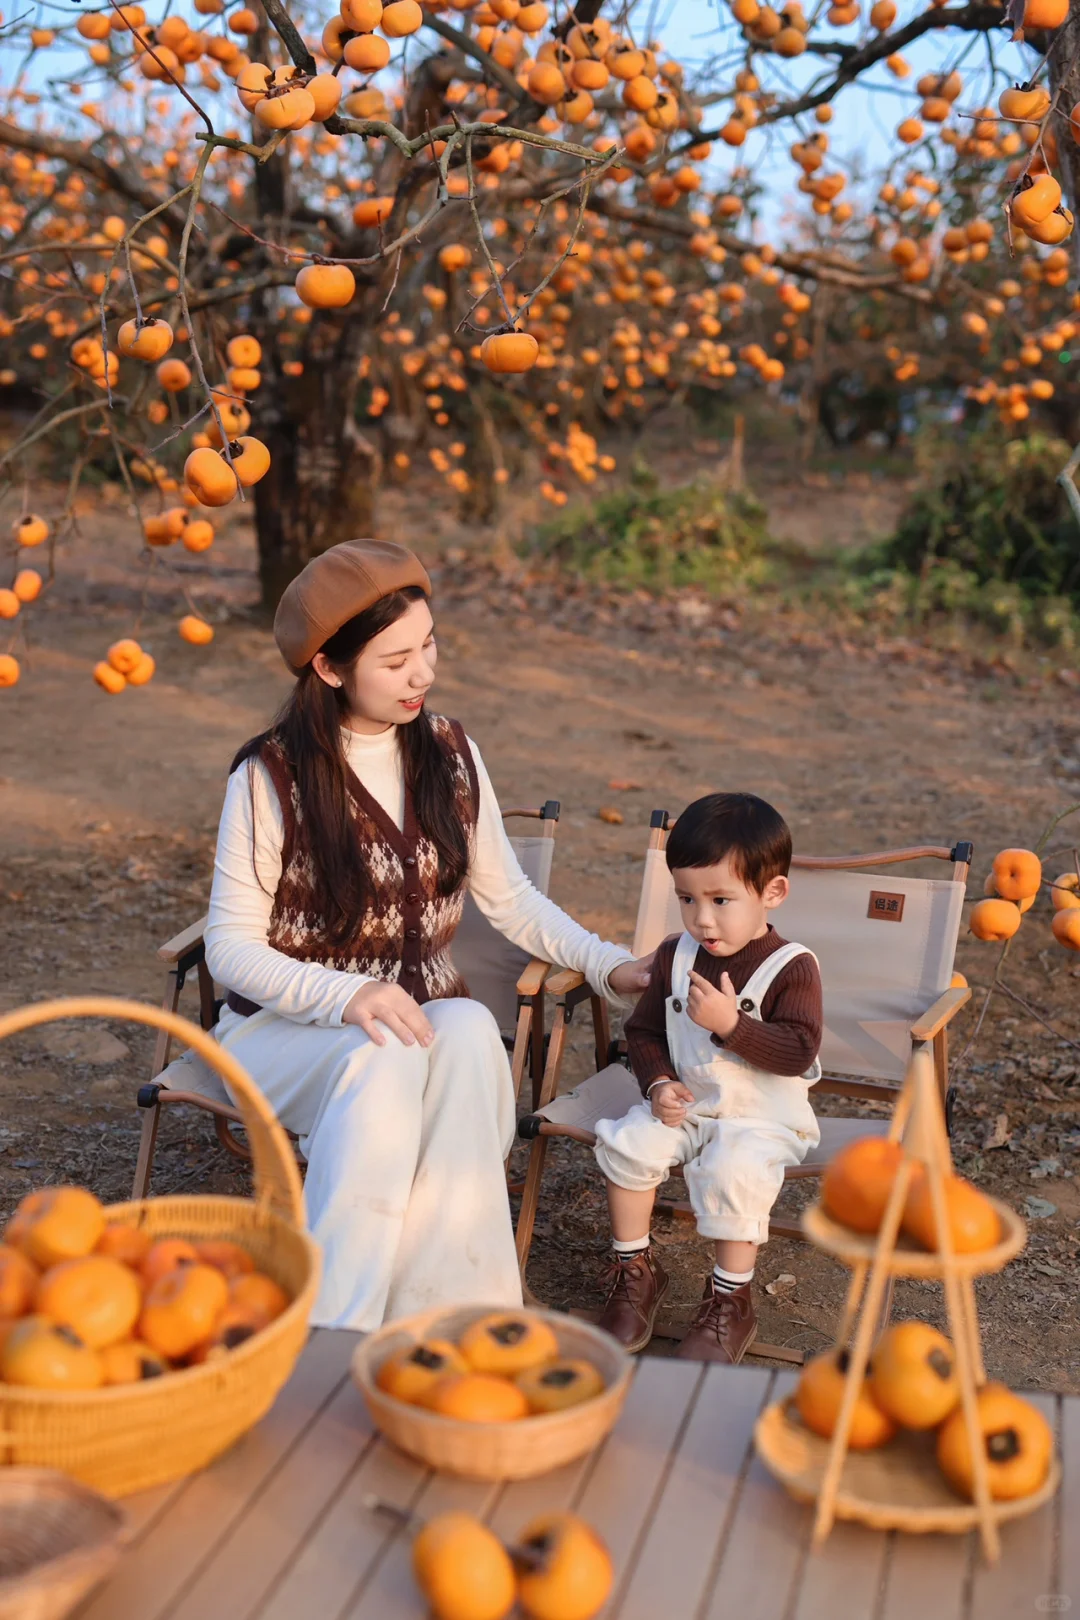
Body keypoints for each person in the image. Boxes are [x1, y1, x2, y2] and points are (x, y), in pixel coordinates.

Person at [204, 539, 650, 1331]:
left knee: (474, 1029)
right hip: (281, 1036)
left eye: (430, 644)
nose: (424, 673)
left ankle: (456, 1316)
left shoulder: (450, 751)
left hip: (411, 1027)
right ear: (330, 669)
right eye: (397, 658)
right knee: (386, 1061)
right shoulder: (268, 776)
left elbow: (510, 901)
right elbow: (230, 948)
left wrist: (613, 968)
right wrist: (349, 995)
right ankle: (331, 1332)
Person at [591, 792, 823, 1364]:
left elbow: (798, 1050)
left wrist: (732, 1026)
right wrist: (658, 1085)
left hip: (762, 1116)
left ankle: (729, 1300)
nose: (702, 918)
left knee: (735, 1168)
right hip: (689, 1104)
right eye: (687, 899)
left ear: (772, 893)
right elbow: (643, 1033)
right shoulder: (676, 954)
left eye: (721, 899)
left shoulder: (792, 966)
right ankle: (635, 1269)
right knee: (628, 1141)